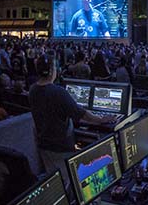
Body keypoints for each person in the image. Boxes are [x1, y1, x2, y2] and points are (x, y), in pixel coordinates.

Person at [28, 54, 115, 191]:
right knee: (68, 183)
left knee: (55, 180)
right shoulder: (59, 92)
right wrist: (101, 120)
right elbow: (80, 113)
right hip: (61, 146)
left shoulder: (32, 90)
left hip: (44, 145)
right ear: (52, 70)